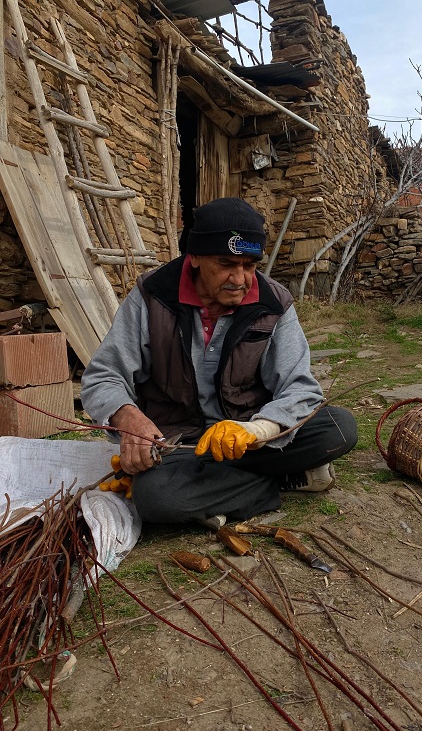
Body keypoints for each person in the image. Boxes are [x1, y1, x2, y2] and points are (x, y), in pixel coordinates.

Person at [81, 198, 358, 529]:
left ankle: (212, 494)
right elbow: (102, 377)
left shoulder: (273, 302)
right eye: (226, 264)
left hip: (248, 439)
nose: (239, 279)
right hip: (179, 444)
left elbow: (300, 388)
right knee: (157, 498)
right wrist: (129, 418)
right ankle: (283, 479)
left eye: (250, 265)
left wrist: (255, 430)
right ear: (194, 257)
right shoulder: (153, 297)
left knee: (338, 427)